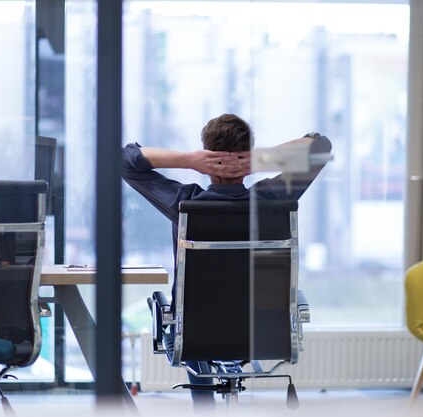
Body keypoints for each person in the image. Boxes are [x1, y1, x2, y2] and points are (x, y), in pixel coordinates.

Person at [122, 113, 331, 411]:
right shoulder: (272, 198)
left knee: (184, 316)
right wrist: (257, 161)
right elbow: (320, 145)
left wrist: (189, 160)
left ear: (206, 152)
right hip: (263, 334)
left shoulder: (185, 203)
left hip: (194, 339)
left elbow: (124, 159)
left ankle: (203, 408)